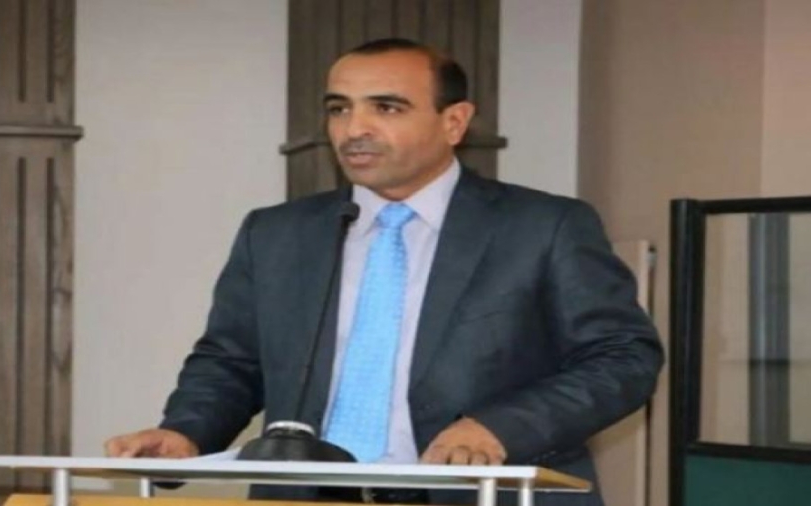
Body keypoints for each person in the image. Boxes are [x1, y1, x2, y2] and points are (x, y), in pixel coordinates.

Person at [105, 38, 663, 506]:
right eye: (339, 108)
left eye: (386, 108)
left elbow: (623, 357)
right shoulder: (276, 233)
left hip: (481, 494)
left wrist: (500, 427)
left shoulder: (544, 226)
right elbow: (231, 361)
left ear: (454, 121)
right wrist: (185, 432)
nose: (355, 128)